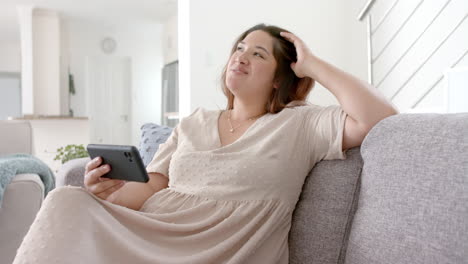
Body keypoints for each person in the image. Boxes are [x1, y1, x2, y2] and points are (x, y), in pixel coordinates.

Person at [13, 23, 398, 264]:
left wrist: (313, 64)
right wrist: (105, 193)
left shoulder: (300, 123)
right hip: (153, 233)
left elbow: (379, 118)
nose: (241, 57)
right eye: (240, 48)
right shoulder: (194, 122)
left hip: (226, 250)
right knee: (67, 198)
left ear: (282, 77)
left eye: (258, 53)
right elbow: (153, 185)